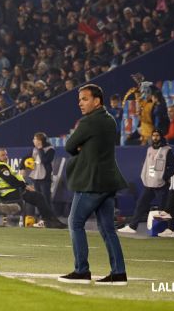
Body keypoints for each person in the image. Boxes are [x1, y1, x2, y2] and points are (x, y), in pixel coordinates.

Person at [59, 83, 128, 286]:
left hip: (91, 182)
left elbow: (69, 145)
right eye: (79, 99)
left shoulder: (89, 122)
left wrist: (80, 146)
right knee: (107, 229)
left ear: (97, 101)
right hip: (108, 181)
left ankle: (81, 270)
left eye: (85, 99)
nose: (80, 103)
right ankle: (119, 273)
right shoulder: (109, 120)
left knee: (75, 222)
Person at [118, 128, 174, 234]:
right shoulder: (149, 149)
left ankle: (168, 230)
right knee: (140, 204)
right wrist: (143, 177)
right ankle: (132, 227)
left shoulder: (167, 150)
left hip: (161, 185)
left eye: (157, 135)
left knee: (163, 209)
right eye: (153, 135)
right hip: (149, 184)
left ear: (161, 137)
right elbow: (146, 165)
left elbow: (173, 167)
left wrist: (164, 177)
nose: (155, 137)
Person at [0, 149, 66, 229]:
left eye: (6, 155)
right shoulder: (0, 166)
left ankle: (51, 221)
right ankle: (50, 221)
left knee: (38, 197)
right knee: (38, 197)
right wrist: (25, 186)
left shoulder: (1, 165)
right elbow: (11, 180)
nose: (5, 157)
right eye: (2, 155)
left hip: (14, 191)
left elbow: (15, 179)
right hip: (11, 193)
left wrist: (25, 185)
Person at [26, 132, 55, 216]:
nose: (33, 140)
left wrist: (40, 148)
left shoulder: (50, 149)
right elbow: (26, 157)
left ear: (40, 140)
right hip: (35, 177)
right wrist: (21, 167)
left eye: (35, 139)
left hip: (45, 178)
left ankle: (49, 217)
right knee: (38, 199)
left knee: (46, 199)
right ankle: (41, 217)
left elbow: (44, 160)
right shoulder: (34, 149)